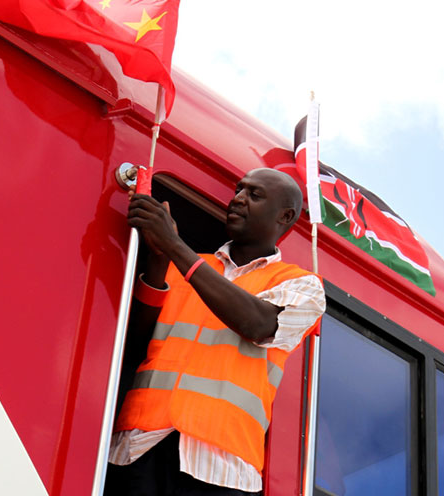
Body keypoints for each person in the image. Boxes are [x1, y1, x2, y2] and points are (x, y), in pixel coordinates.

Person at [106, 168, 325, 495]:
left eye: (254, 194)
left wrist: (175, 246)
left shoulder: (302, 285)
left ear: (286, 216)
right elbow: (133, 343)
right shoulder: (189, 264)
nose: (238, 198)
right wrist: (158, 258)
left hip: (222, 469)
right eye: (239, 189)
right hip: (138, 448)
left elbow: (258, 324)